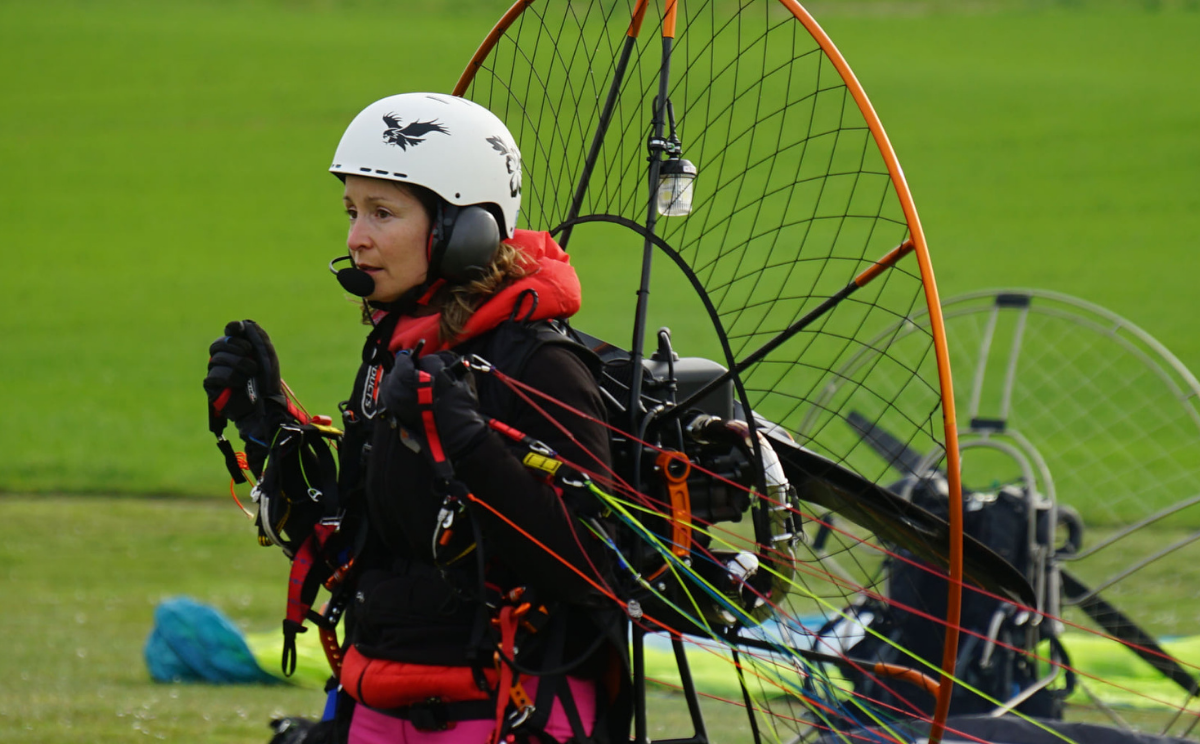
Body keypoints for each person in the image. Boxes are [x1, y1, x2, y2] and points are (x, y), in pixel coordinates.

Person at [204, 93, 628, 744]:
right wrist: (269, 432)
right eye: (351, 212)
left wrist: (468, 443)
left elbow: (588, 568)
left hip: (506, 710)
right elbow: (357, 551)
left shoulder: (539, 364)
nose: (356, 239)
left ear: (465, 231)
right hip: (378, 699)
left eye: (382, 212)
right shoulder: (397, 355)